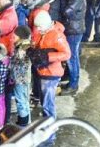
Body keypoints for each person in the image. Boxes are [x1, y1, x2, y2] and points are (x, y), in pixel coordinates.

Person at [29, 12, 70, 145]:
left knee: (48, 103)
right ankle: (49, 124)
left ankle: (50, 133)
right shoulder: (45, 31)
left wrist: (48, 57)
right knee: (45, 101)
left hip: (51, 73)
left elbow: (66, 54)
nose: (38, 30)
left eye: (39, 27)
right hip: (44, 71)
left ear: (46, 25)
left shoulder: (56, 35)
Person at [57, 0, 85, 96]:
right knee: (72, 57)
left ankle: (73, 85)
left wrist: (61, 1)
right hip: (72, 28)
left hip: (74, 30)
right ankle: (71, 81)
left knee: (72, 57)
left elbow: (67, 12)